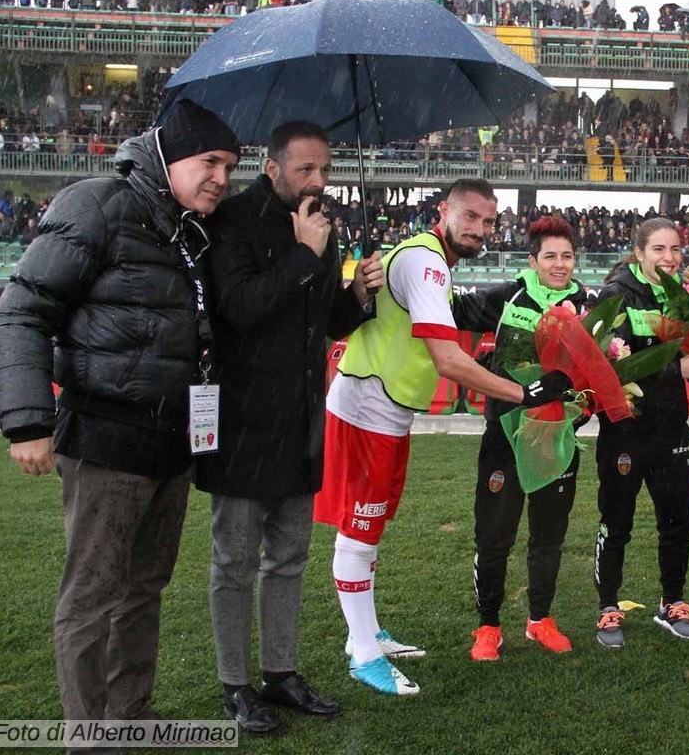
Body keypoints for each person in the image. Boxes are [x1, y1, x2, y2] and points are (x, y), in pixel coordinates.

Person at [0, 100, 240, 731]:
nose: (220, 177)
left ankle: (132, 716)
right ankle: (90, 736)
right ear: (168, 154)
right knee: (93, 596)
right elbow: (24, 310)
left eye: (230, 167)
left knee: (142, 591)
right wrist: (25, 420)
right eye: (209, 162)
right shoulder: (96, 204)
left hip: (171, 440)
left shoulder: (191, 231)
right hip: (105, 437)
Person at [314, 179, 572, 693]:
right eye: (471, 217)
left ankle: (366, 634)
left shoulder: (430, 262)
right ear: (444, 211)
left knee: (368, 531)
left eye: (489, 221)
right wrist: (526, 394)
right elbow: (447, 359)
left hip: (385, 410)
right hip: (367, 407)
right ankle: (363, 652)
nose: (480, 229)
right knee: (359, 531)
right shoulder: (426, 260)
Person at [195, 122, 382, 734]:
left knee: (291, 558)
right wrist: (304, 252)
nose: (319, 181)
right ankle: (235, 685)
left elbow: (326, 322)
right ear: (271, 168)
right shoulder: (232, 222)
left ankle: (280, 673)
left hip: (303, 420)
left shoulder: (321, 224)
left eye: (325, 168)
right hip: (244, 421)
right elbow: (240, 310)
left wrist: (356, 294)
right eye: (305, 169)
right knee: (235, 562)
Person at [451, 216, 587, 661]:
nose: (560, 264)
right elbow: (453, 310)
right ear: (533, 260)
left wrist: (581, 408)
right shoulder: (509, 297)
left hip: (555, 437)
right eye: (551, 256)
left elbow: (598, 368)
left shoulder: (584, 302)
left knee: (549, 535)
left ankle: (539, 620)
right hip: (505, 436)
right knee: (494, 535)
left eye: (567, 256)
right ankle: (488, 626)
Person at [592, 218, 689, 648]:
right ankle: (608, 607)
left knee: (678, 520)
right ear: (640, 252)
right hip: (624, 429)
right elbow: (612, 364)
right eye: (659, 249)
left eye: (676, 249)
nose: (669, 258)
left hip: (672, 426)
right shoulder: (616, 294)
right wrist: (676, 369)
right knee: (617, 521)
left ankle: (674, 602)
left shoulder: (682, 293)